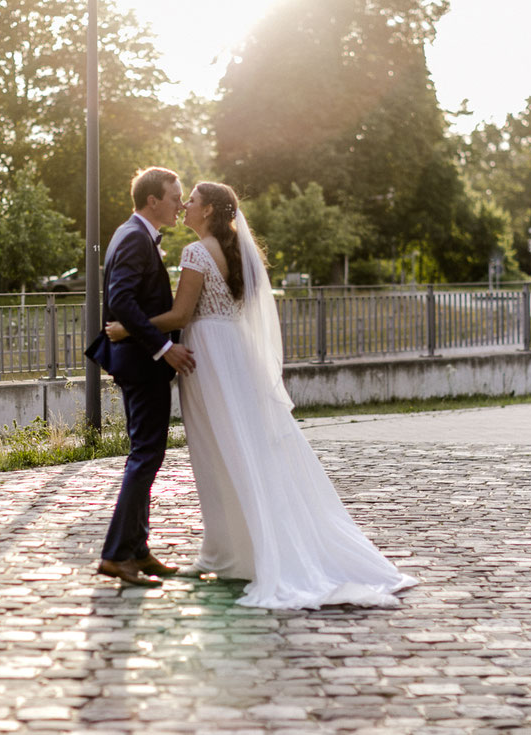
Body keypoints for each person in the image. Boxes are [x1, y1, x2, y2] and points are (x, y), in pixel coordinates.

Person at [106, 181, 416, 609]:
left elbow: (181, 314)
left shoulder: (196, 252)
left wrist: (127, 327)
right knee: (243, 447)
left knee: (216, 452)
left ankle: (232, 552)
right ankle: (225, 551)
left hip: (207, 357)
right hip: (236, 353)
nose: (186, 207)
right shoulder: (238, 255)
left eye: (191, 201)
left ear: (210, 211)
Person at [88, 167, 196, 587]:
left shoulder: (129, 232)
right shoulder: (134, 237)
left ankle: (137, 548)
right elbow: (120, 301)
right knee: (145, 456)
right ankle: (116, 554)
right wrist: (165, 348)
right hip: (141, 362)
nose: (180, 204)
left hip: (135, 358)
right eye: (175, 197)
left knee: (146, 454)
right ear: (153, 200)